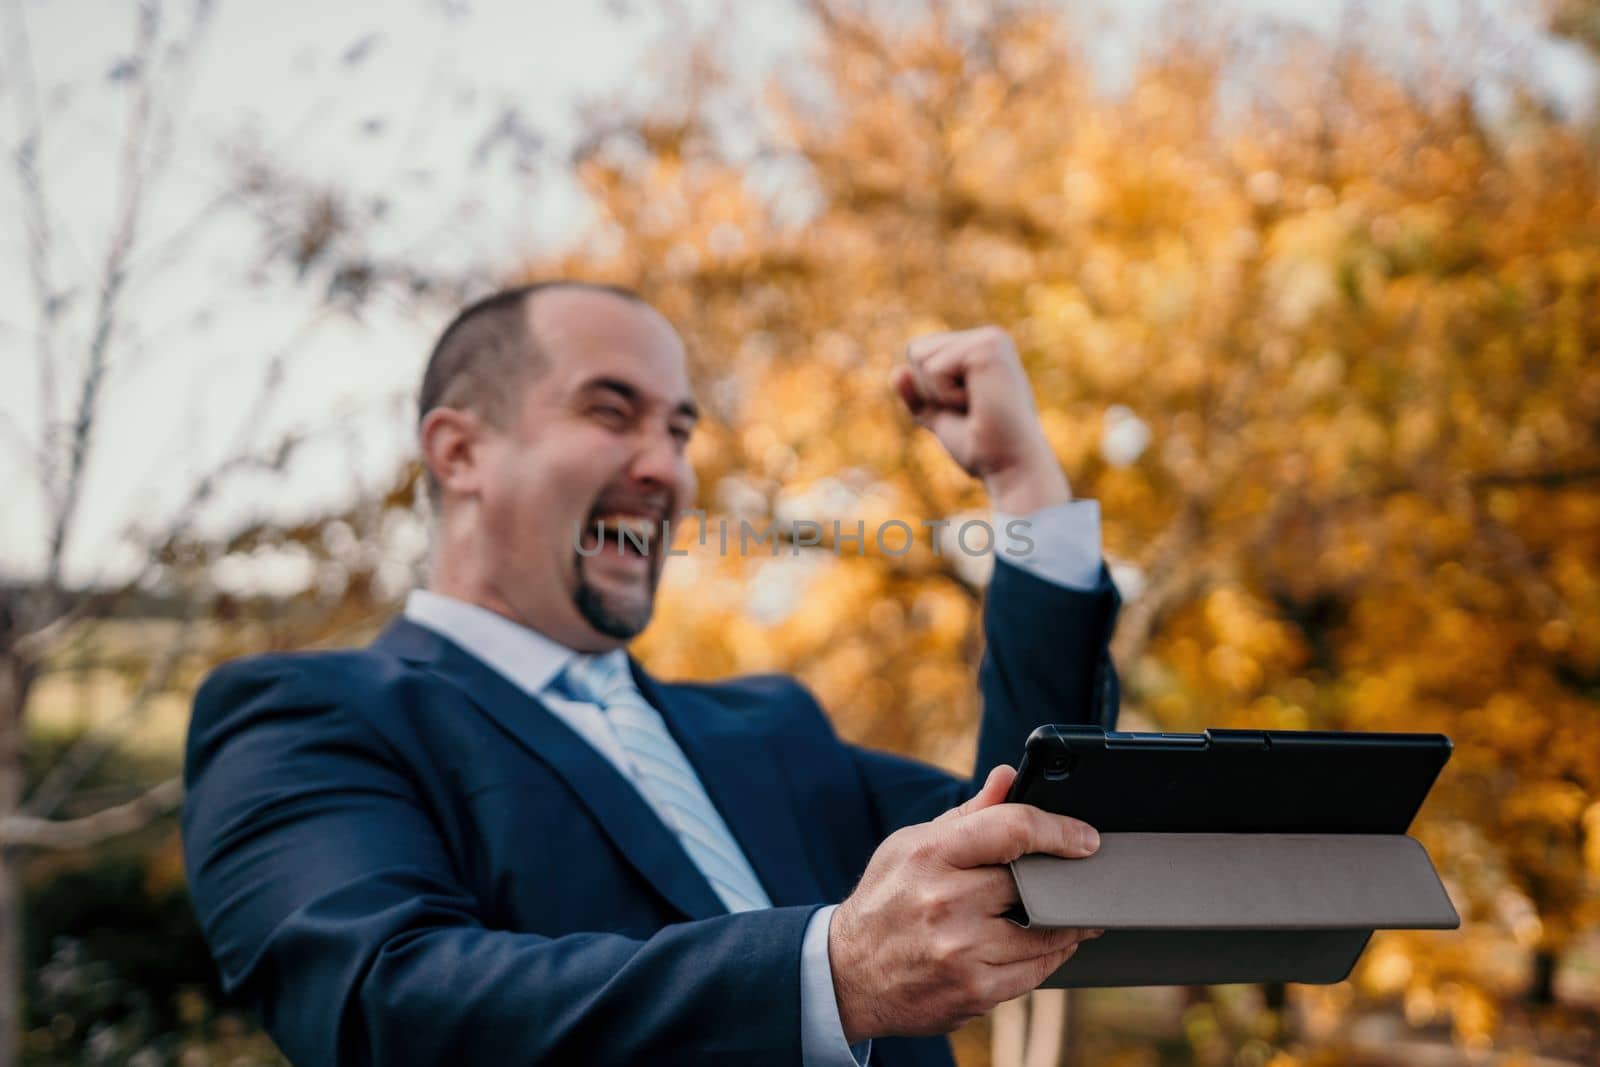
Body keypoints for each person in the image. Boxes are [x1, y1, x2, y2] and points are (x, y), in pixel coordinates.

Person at [181, 281, 1122, 1067]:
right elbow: (389, 1004)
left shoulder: (771, 725)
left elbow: (1043, 839)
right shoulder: (303, 718)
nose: (665, 468)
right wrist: (829, 972)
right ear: (459, 451)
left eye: (678, 431)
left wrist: (1022, 481)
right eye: (610, 412)